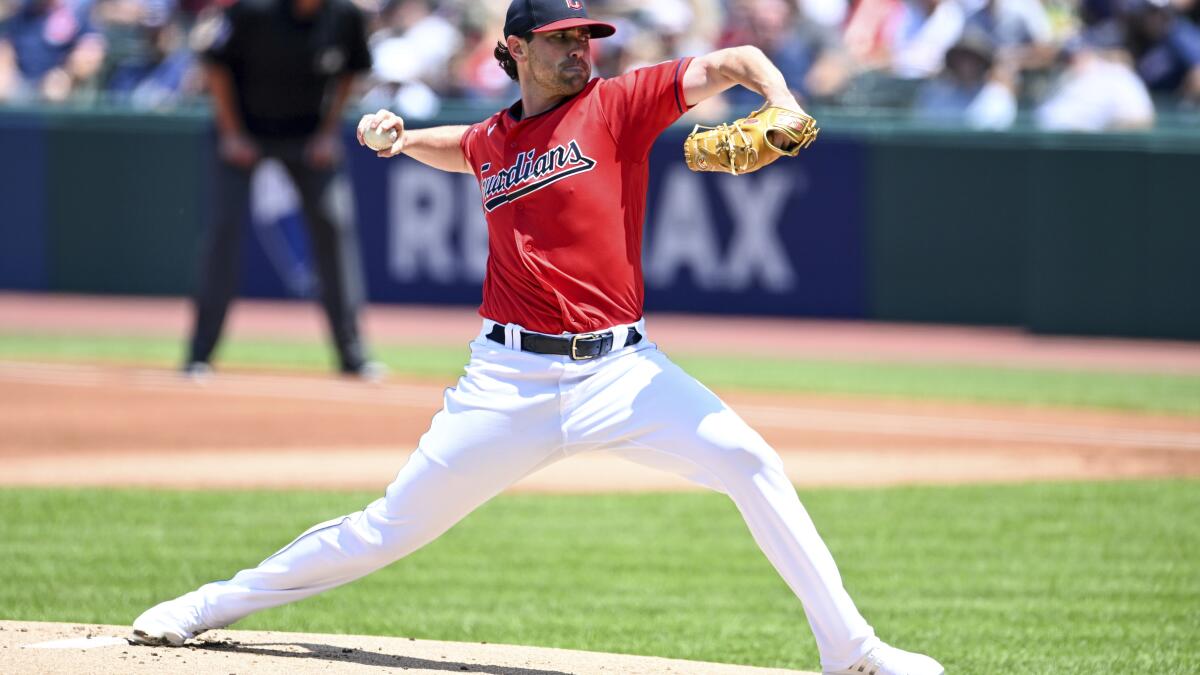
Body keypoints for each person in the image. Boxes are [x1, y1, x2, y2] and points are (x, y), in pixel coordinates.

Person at [130, 1, 945, 673]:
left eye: (586, 38)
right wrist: (405, 139)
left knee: (750, 462)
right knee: (387, 528)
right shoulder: (496, 138)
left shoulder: (619, 106)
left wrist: (785, 103)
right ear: (512, 49)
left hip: (624, 373)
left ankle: (855, 652)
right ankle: (206, 605)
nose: (579, 51)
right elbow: (470, 149)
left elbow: (732, 59)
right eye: (560, 39)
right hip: (505, 384)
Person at [182, 0, 380, 378]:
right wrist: (231, 134)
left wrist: (327, 134)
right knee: (223, 230)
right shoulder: (252, 10)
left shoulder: (345, 17)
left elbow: (350, 74)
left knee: (335, 226)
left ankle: (353, 355)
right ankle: (199, 353)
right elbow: (216, 65)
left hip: (307, 138)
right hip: (244, 132)